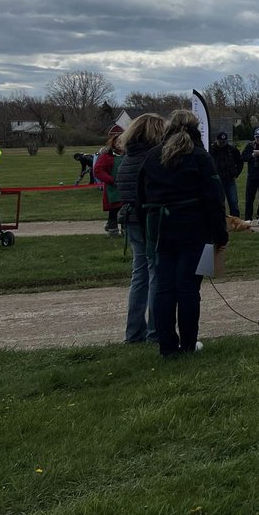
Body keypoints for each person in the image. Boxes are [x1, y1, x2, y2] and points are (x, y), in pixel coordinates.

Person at [137, 109, 228, 358]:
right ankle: (187, 345)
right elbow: (214, 199)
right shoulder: (200, 157)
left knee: (164, 288)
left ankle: (167, 347)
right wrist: (220, 234)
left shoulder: (153, 157)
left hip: (160, 231)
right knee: (188, 288)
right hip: (193, 229)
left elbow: (140, 196)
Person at [115, 113, 165, 344]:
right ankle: (156, 331)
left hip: (131, 218)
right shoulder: (152, 158)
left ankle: (134, 332)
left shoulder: (128, 158)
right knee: (156, 273)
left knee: (140, 275)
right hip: (149, 218)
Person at [94, 131, 125, 237]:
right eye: (118, 143)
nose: (120, 145)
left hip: (126, 187)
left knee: (126, 210)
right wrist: (111, 180)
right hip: (112, 188)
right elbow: (98, 170)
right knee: (113, 210)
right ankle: (113, 230)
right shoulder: (107, 156)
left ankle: (126, 230)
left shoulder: (128, 155)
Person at [210, 132, 244, 217]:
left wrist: (236, 173)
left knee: (233, 202)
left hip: (230, 180)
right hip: (217, 181)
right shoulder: (211, 151)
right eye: (221, 142)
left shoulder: (232, 150)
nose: (222, 144)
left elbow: (240, 162)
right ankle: (221, 222)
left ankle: (236, 222)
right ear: (216, 140)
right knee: (219, 203)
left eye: (224, 142)